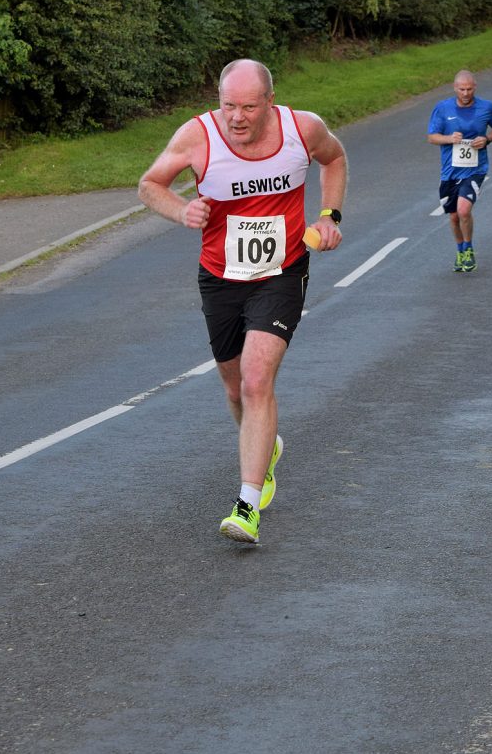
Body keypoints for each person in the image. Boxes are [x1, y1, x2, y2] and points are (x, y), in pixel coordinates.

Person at [138, 58, 347, 545]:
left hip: (281, 272)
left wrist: (329, 215)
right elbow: (149, 184)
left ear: (270, 102)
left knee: (256, 380)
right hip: (220, 278)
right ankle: (265, 446)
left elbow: (335, 158)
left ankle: (247, 503)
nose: (236, 117)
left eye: (249, 107)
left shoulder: (302, 129)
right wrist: (181, 210)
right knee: (234, 390)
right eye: (228, 105)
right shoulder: (197, 136)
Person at [427, 70, 492, 272]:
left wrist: (487, 139)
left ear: (475, 87)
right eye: (461, 89)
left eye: (469, 89)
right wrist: (449, 139)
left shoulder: (487, 107)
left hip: (475, 169)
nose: (465, 93)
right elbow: (432, 137)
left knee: (463, 210)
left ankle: (469, 250)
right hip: (450, 171)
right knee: (454, 217)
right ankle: (460, 250)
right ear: (455, 88)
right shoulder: (442, 108)